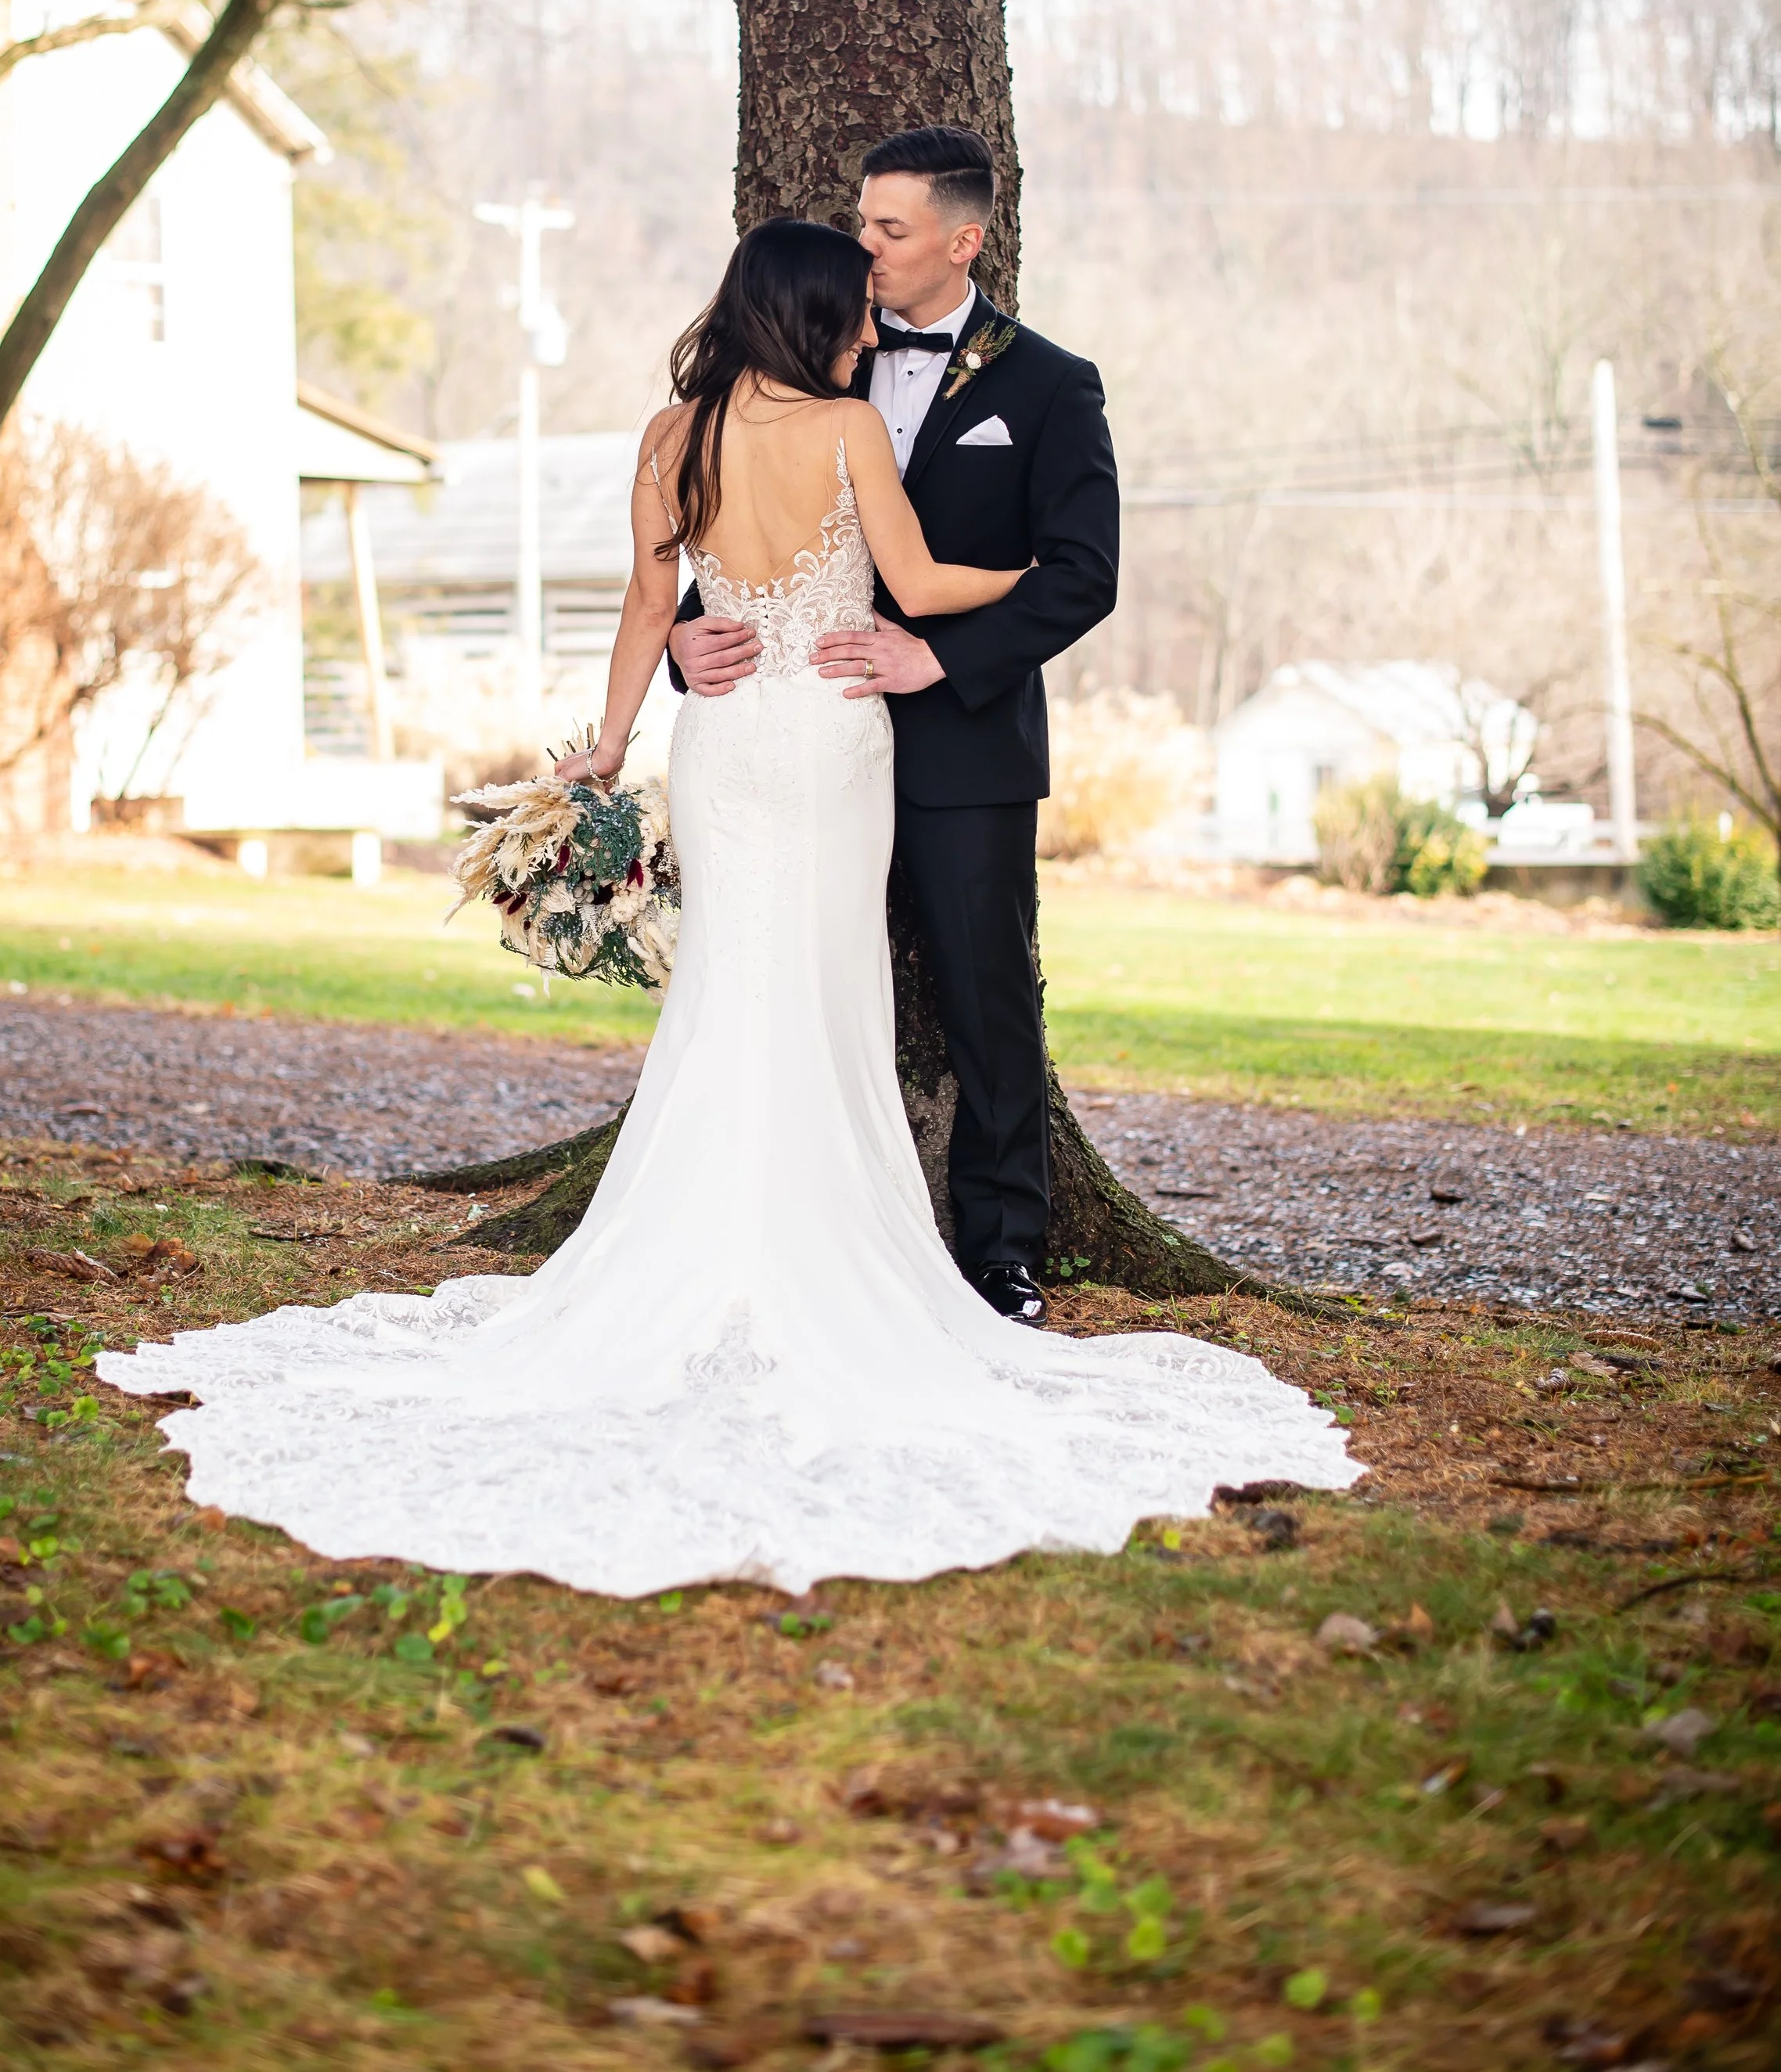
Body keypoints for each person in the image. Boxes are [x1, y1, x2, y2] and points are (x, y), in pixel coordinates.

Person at [97, 217, 1355, 1595]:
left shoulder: (668, 433)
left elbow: (648, 610)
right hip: (827, 735)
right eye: (853, 315)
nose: (871, 333)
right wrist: (1038, 583)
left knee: (727, 992)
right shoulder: (848, 434)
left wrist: (608, 745)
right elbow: (925, 587)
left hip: (724, 744)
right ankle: (822, 1258)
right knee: (820, 990)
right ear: (810, 317)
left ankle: (699, 1249)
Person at [670, 125, 1113, 1327]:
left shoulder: (1050, 385)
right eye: (862, 223)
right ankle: (785, 1240)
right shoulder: (819, 350)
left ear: (963, 241)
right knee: (781, 982)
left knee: (986, 998)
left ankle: (1002, 1252)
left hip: (965, 745)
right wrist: (681, 635)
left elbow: (1081, 574)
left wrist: (942, 655)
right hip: (789, 736)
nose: (865, 246)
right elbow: (731, 514)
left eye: (891, 229)